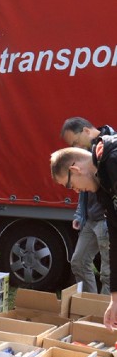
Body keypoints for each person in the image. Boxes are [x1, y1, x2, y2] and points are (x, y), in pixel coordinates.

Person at [60, 117, 115, 294]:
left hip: (106, 220)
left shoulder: (108, 155)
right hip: (91, 218)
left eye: (75, 142)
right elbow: (83, 188)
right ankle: (89, 305)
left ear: (86, 131)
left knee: (109, 272)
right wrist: (80, 213)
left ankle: (105, 313)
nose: (76, 148)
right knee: (78, 261)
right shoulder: (87, 158)